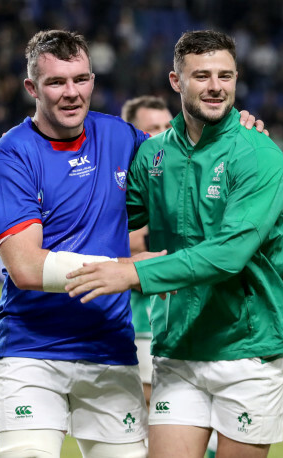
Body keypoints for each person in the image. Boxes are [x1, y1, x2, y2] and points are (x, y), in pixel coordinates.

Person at [0, 29, 265, 458]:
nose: (71, 93)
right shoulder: (12, 157)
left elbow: (186, 158)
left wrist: (236, 133)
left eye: (80, 79)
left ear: (93, 81)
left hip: (110, 351)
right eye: (56, 82)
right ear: (31, 88)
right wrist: (126, 271)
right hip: (33, 352)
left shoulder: (119, 137)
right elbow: (25, 266)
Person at [66, 30, 283, 458]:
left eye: (225, 75)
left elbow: (229, 255)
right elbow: (106, 222)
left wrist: (133, 271)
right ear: (176, 81)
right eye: (202, 75)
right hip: (178, 347)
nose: (216, 86)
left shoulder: (259, 155)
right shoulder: (154, 156)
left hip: (247, 352)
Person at [120, 95, 173, 408]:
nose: (164, 133)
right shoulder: (127, 177)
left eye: (168, 125)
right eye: (153, 128)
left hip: (177, 318)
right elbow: (132, 242)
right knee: (150, 408)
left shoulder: (177, 172)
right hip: (138, 319)